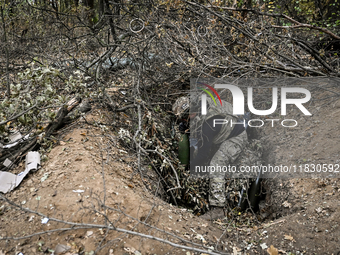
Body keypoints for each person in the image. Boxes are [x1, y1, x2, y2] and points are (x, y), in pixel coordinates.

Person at [173, 95, 249, 220]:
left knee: (216, 164)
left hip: (236, 137)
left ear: (192, 113)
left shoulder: (207, 126)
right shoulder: (204, 103)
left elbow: (203, 155)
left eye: (185, 118)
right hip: (227, 126)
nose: (184, 120)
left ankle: (218, 208)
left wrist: (189, 167)